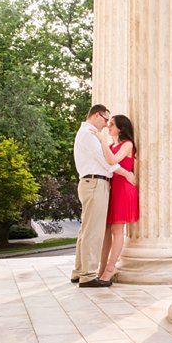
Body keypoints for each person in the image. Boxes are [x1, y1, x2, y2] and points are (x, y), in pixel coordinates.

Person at [72, 104, 135, 288]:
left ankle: (79, 271)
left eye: (110, 122)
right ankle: (88, 275)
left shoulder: (86, 133)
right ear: (97, 116)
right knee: (93, 232)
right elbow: (107, 162)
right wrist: (126, 174)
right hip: (95, 183)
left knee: (86, 231)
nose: (107, 125)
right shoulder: (90, 135)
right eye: (106, 119)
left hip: (92, 183)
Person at [93, 114, 139, 283]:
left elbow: (113, 161)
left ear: (121, 128)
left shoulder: (127, 144)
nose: (109, 127)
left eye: (112, 124)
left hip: (123, 189)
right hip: (113, 188)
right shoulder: (113, 144)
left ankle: (110, 270)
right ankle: (101, 268)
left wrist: (102, 141)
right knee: (106, 231)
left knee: (116, 230)